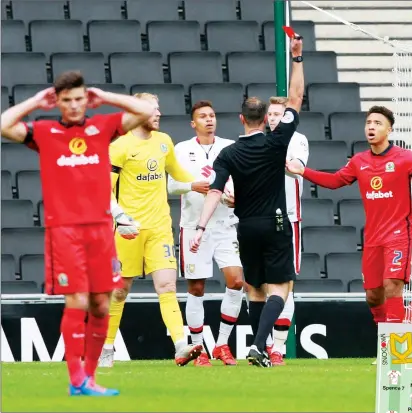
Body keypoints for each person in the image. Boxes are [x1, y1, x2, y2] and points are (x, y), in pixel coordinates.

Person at [0, 71, 154, 395]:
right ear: (58, 102)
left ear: (87, 100)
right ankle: (76, 379)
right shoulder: (45, 131)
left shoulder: (103, 127)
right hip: (65, 230)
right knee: (78, 300)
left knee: (101, 304)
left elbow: (143, 112)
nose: (73, 106)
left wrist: (105, 96)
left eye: (79, 99)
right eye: (66, 100)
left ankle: (90, 378)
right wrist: (34, 102)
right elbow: (4, 124)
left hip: (99, 229)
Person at [190, 35, 305, 368]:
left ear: (241, 119)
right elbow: (296, 96)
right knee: (280, 288)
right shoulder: (277, 141)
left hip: (245, 228)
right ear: (264, 119)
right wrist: (296, 58)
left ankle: (259, 349)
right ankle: (260, 346)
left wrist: (199, 228)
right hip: (277, 222)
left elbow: (214, 191)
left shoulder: (228, 152)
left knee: (254, 289)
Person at [286, 105, 412, 328]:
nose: (371, 127)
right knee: (373, 295)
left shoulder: (405, 158)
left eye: (377, 123)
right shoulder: (359, 161)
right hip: (373, 237)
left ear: (389, 130)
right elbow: (334, 181)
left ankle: (395, 349)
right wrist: (304, 171)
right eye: (368, 123)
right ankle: (384, 344)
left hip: (399, 234)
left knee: (392, 284)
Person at [98, 92, 202, 368]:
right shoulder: (120, 146)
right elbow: (102, 190)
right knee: (120, 291)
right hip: (128, 229)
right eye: (152, 110)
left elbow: (179, 174)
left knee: (167, 286)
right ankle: (107, 347)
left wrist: (210, 184)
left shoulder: (164, 142)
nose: (158, 114)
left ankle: (180, 345)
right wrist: (120, 218)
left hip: (159, 227)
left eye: (158, 109)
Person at [167, 100, 244, 367]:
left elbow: (241, 179)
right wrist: (192, 185)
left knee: (236, 281)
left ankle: (222, 344)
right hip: (192, 226)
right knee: (196, 288)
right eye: (203, 116)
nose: (209, 119)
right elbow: (171, 185)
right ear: (193, 123)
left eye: (212, 115)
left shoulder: (229, 146)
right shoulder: (182, 149)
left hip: (225, 226)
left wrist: (236, 197)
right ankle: (199, 349)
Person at [264, 96, 309, 365]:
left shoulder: (297, 139)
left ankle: (278, 347)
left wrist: (276, 160)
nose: (272, 118)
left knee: (285, 285)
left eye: (278, 114)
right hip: (260, 218)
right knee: (258, 285)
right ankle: (264, 344)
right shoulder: (259, 139)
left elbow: (298, 170)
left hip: (288, 219)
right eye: (269, 114)